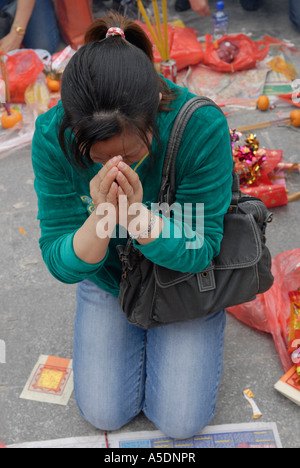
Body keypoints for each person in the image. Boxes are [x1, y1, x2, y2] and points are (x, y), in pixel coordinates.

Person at [31, 12, 233, 439]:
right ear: (72, 127)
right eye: (99, 158)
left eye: (129, 152)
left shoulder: (198, 125)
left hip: (182, 277)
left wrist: (140, 217)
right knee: (104, 412)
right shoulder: (52, 135)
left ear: (153, 118)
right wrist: (103, 218)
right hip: (109, 278)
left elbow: (199, 249)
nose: (115, 166)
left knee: (180, 423)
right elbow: (60, 258)